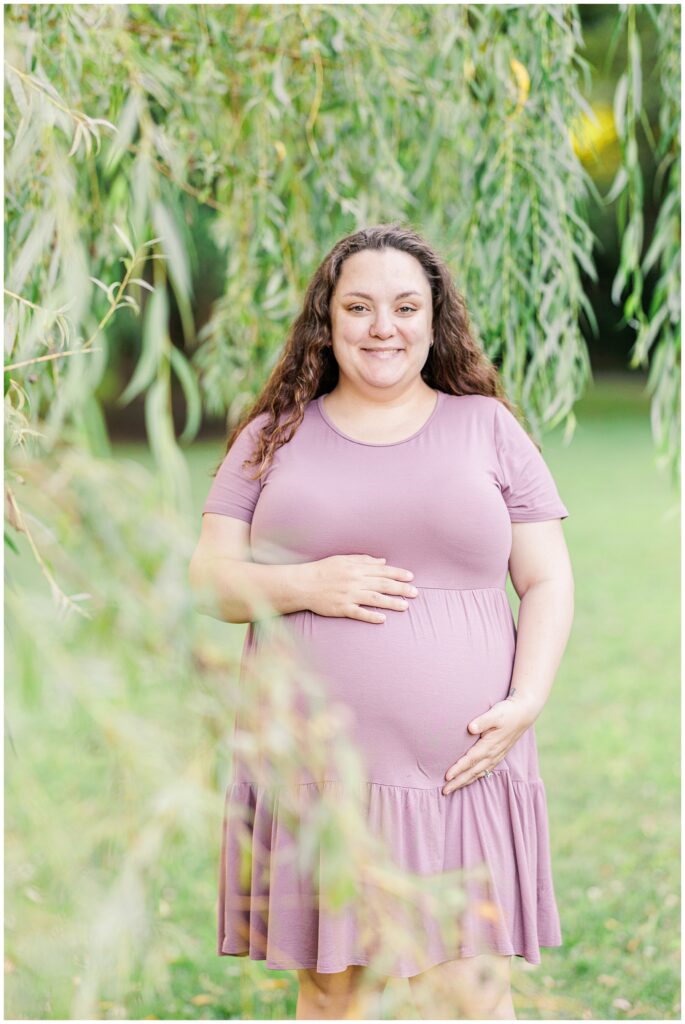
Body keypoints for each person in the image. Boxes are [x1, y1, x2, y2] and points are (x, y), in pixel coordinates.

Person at [189, 223, 574, 1020]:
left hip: (463, 767)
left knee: (468, 987)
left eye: (404, 307)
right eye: (358, 307)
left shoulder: (487, 428)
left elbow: (546, 578)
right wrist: (305, 584)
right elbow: (210, 583)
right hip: (316, 765)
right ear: (325, 321)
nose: (381, 327)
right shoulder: (272, 437)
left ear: (434, 323)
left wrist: (527, 699)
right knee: (334, 990)